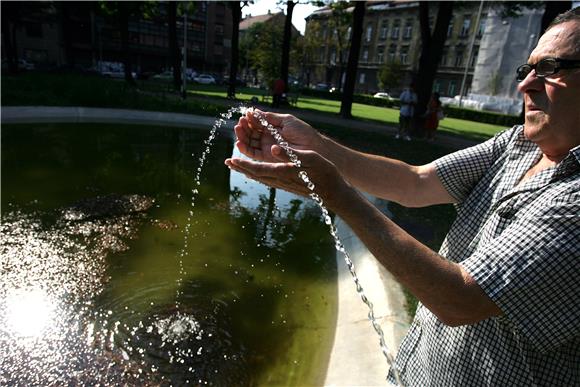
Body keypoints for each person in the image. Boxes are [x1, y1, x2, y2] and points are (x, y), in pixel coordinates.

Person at [225, 8, 579, 386]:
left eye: (550, 68)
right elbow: (416, 182)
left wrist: (340, 197)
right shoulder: (517, 145)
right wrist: (316, 144)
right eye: (525, 70)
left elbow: (458, 297)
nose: (525, 85)